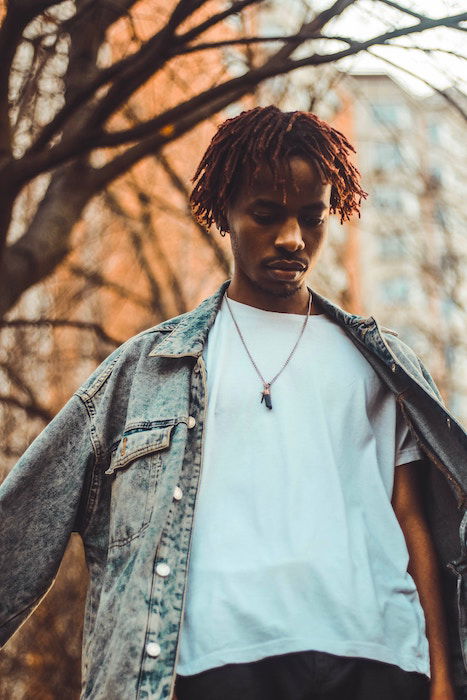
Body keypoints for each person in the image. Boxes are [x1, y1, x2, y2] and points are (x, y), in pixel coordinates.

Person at [0, 106, 465, 700]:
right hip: (215, 661)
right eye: (267, 215)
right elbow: (29, 511)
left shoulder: (384, 364)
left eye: (312, 218)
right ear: (224, 212)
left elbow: (412, 517)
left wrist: (446, 676)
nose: (293, 238)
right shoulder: (148, 368)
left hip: (376, 656)